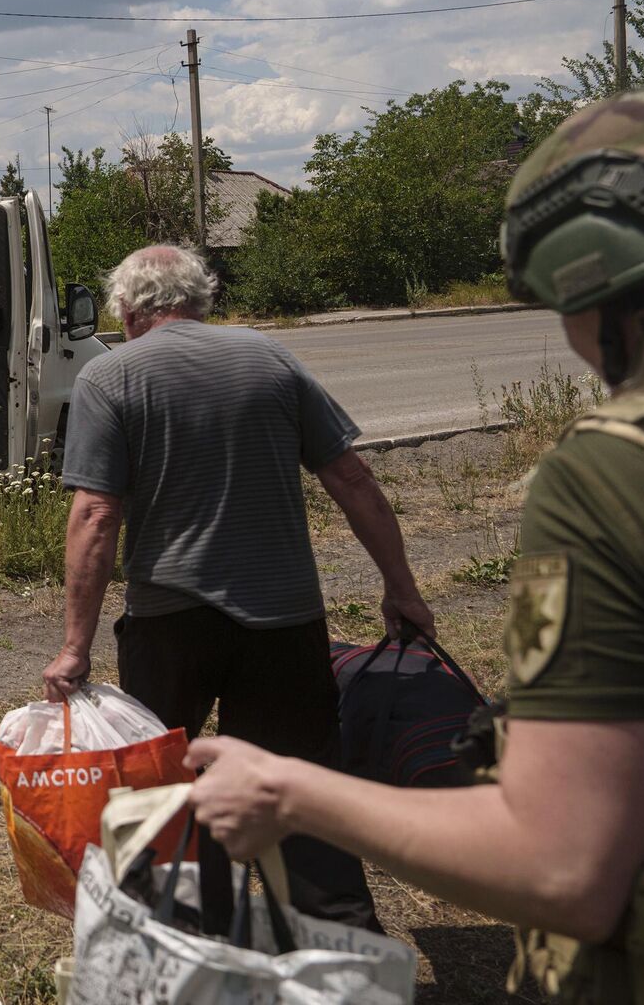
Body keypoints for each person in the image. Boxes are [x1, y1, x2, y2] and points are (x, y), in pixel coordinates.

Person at [185, 77, 644, 1002]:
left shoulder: (628, 477)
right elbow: (349, 469)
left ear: (599, 269)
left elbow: (564, 868)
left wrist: (286, 794)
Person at [41, 243, 435, 929]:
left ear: (128, 310)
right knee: (303, 796)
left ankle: (183, 944)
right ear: (200, 299)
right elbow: (353, 479)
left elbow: (97, 513)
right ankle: (339, 954)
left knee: (160, 793)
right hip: (283, 620)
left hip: (169, 622)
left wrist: (76, 645)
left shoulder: (112, 378)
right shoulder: (270, 358)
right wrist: (403, 589)